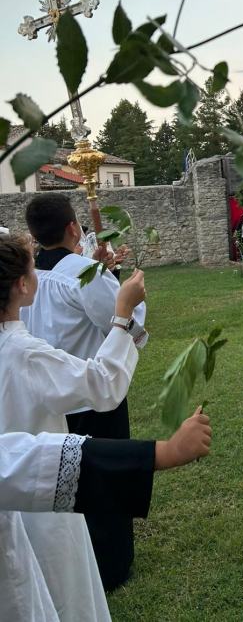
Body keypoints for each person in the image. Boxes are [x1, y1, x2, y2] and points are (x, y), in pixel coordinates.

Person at [0, 233, 147, 620]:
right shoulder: (23, 353)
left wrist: (102, 270)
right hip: (34, 494)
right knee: (60, 594)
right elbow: (103, 383)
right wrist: (124, 313)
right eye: (32, 268)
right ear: (21, 284)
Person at [0, 414, 211, 622]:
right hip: (46, 518)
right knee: (67, 589)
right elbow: (28, 463)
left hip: (39, 507)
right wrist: (166, 452)